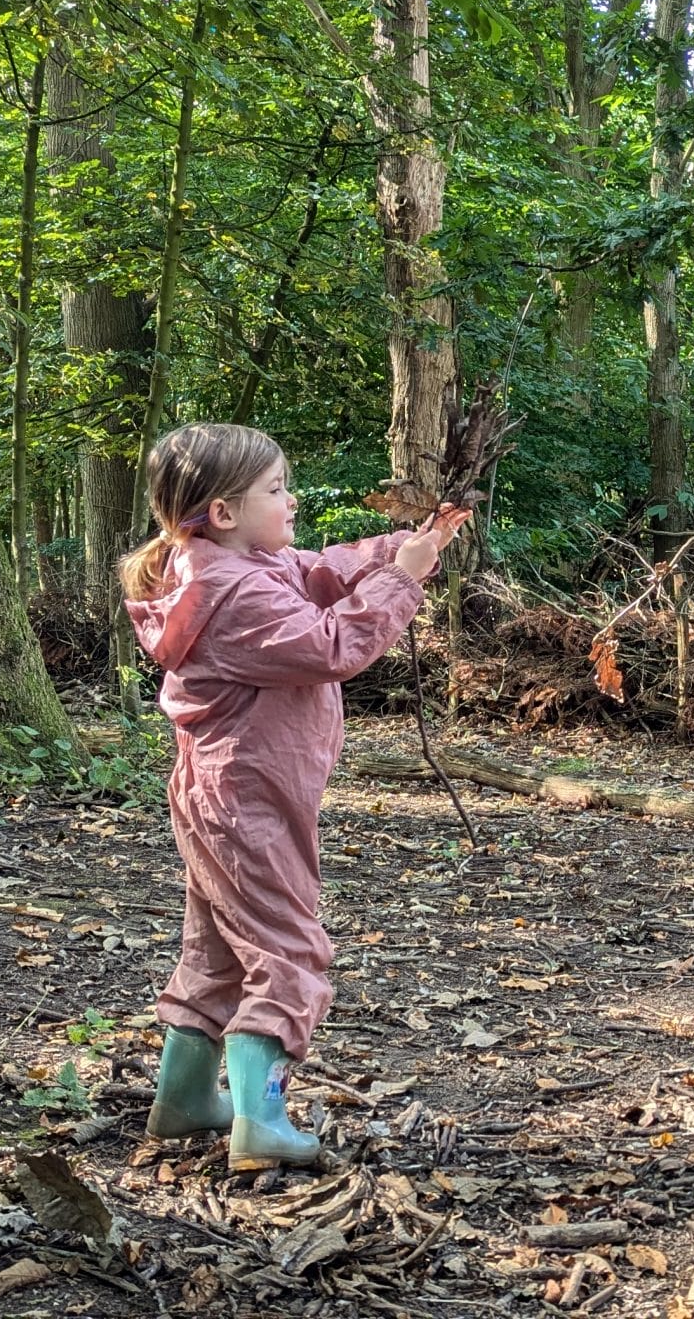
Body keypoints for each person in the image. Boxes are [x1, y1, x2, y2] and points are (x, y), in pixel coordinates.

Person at [121, 422, 469, 1169]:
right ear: (222, 512)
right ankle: (262, 1122)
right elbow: (331, 645)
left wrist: (403, 549)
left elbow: (316, 570)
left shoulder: (235, 567)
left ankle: (184, 1102)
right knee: (287, 949)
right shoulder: (232, 594)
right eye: (275, 490)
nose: (292, 500)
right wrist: (400, 582)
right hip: (248, 801)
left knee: (217, 952)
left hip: (228, 795)